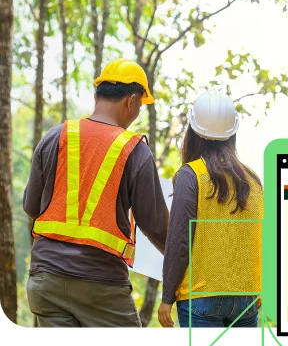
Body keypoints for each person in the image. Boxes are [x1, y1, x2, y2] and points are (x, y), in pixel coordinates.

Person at [24, 58, 169, 329]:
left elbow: (32, 206)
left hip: (46, 280)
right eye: (139, 105)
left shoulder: (55, 136)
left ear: (96, 95)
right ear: (131, 101)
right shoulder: (134, 150)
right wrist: (184, 265)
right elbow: (157, 227)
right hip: (101, 284)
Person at [158, 89, 263, 329]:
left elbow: (180, 240)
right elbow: (262, 240)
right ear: (233, 133)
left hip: (201, 298)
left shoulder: (191, 175)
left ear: (194, 133)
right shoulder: (253, 181)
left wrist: (167, 297)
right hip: (246, 298)